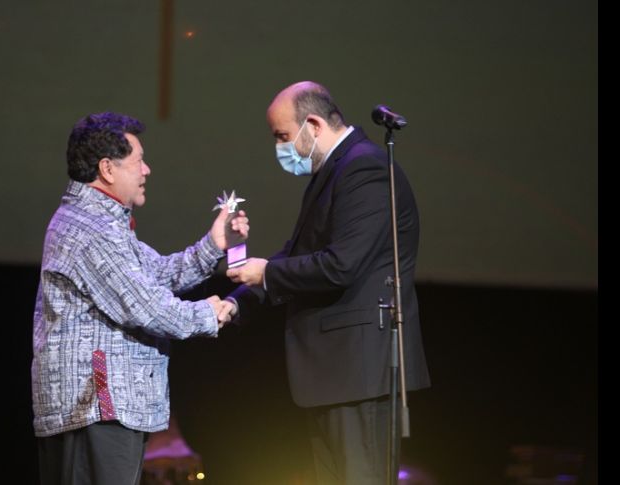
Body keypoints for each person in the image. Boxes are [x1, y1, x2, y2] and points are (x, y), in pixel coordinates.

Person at [226, 81, 430, 484]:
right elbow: (298, 252)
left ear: (314, 124)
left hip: (359, 370)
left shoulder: (365, 167)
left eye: (283, 136)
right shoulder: (335, 170)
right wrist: (237, 300)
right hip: (337, 374)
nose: (280, 148)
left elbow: (341, 265)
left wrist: (265, 272)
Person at [31, 111, 247, 485]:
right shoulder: (89, 229)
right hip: (95, 405)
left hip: (104, 408)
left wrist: (215, 245)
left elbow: (156, 275)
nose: (146, 170)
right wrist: (209, 314)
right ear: (108, 169)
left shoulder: (103, 224)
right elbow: (144, 305)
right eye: (138, 161)